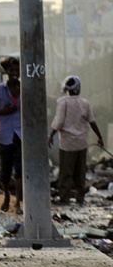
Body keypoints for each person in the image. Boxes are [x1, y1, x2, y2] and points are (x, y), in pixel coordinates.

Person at [49, 75, 105, 205]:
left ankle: (65, 198)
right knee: (80, 173)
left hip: (67, 144)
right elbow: (92, 121)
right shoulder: (85, 103)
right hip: (81, 143)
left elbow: (59, 121)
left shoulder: (62, 102)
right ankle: (80, 198)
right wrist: (100, 137)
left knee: (66, 173)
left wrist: (51, 135)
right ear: (78, 88)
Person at [0, 56, 22, 213]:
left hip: (21, 134)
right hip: (5, 135)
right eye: (12, 70)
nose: (14, 73)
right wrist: (3, 111)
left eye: (17, 70)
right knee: (5, 170)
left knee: (20, 169)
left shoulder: (25, 89)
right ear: (6, 71)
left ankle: (18, 203)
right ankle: (7, 196)